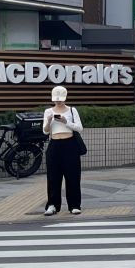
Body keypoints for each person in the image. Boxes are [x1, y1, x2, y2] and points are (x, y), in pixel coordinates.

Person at [42, 86, 83, 216]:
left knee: (73, 175)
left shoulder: (72, 110)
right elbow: (45, 131)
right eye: (56, 100)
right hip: (54, 144)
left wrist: (66, 122)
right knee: (53, 176)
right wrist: (49, 121)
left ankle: (74, 205)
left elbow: (79, 128)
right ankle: (52, 205)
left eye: (60, 100)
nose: (58, 102)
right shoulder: (48, 111)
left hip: (70, 144)